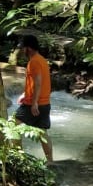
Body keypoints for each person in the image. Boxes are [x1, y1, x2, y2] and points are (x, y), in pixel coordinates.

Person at [14, 33, 53, 163]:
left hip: (34, 103)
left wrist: (34, 102)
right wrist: (25, 94)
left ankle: (18, 155)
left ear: (28, 48)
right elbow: (36, 82)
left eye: (23, 48)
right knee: (42, 132)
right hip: (45, 102)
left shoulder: (34, 62)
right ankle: (50, 161)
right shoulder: (42, 60)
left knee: (14, 123)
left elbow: (38, 82)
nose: (22, 51)